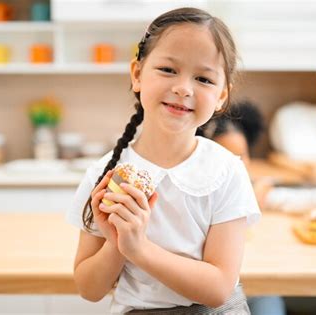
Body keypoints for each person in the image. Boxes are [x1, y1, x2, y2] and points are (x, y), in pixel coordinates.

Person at [66, 7, 261, 314]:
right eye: (168, 70)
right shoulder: (105, 175)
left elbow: (218, 288)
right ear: (137, 74)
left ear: (222, 95)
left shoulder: (226, 172)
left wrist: (139, 248)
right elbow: (89, 288)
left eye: (203, 78)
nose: (183, 88)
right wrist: (118, 242)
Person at [198, 101, 316, 315]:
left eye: (242, 156)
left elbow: (298, 199)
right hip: (235, 291)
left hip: (269, 284)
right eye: (227, 155)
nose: (237, 163)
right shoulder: (201, 196)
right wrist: (251, 201)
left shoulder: (256, 189)